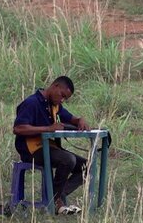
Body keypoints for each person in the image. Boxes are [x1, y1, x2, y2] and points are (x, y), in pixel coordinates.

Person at [12, 76, 90, 215]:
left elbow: (71, 119)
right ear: (55, 86)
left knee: (87, 167)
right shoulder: (31, 103)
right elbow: (18, 128)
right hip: (31, 151)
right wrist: (47, 129)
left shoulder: (55, 106)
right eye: (62, 95)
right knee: (68, 160)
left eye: (65, 99)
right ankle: (56, 199)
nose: (62, 100)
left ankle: (57, 195)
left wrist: (80, 120)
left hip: (50, 148)